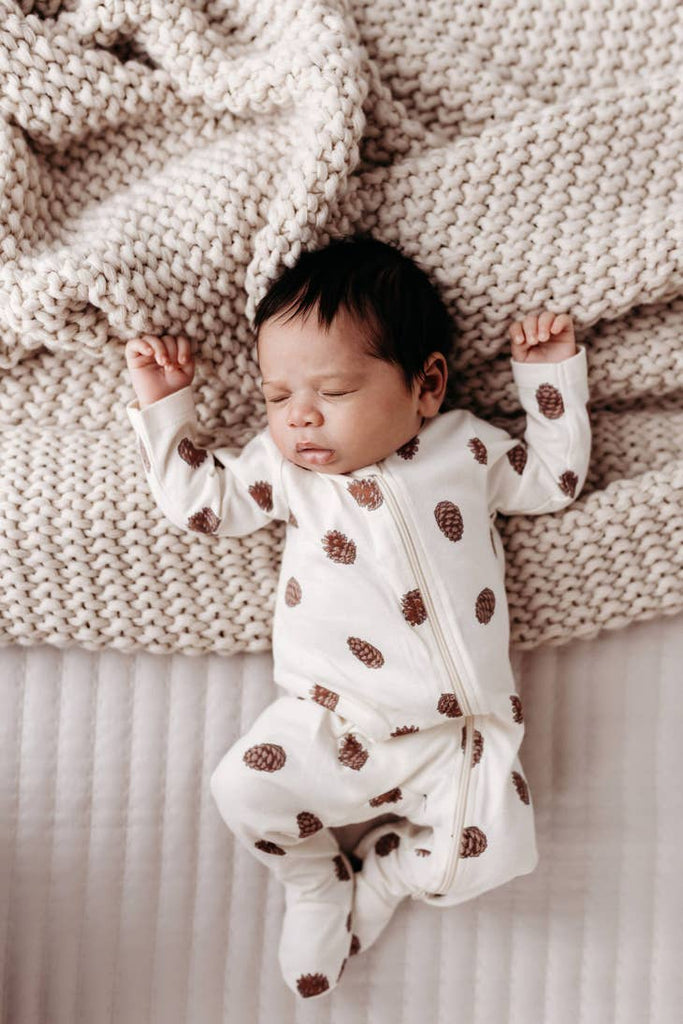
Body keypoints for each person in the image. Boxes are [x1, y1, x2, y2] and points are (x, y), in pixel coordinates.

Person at [124, 236, 591, 1000]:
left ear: (426, 385)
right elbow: (202, 504)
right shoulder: (284, 472)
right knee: (241, 789)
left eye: (333, 391)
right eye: (278, 397)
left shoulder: (465, 450)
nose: (300, 417)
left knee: (490, 856)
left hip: (457, 735)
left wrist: (547, 377)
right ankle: (314, 881)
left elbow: (552, 479)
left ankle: (384, 875)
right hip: (330, 718)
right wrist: (164, 403)